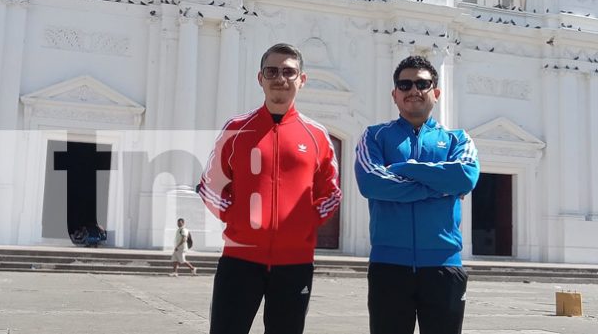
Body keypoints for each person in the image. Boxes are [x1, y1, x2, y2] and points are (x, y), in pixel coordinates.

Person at [197, 43, 342, 334]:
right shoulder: (236, 128)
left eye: (289, 72)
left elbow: (332, 192)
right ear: (260, 78)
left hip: (295, 263)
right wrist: (235, 217)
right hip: (239, 260)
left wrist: (306, 222)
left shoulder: (317, 136)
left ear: (302, 80)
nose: (280, 78)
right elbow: (210, 184)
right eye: (272, 71)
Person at [354, 55, 480, 334]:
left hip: (444, 266)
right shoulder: (374, 136)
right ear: (394, 95)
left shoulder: (458, 139)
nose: (414, 90)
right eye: (405, 84)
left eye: (422, 83)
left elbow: (466, 176)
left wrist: (403, 169)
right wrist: (440, 187)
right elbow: (371, 182)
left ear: (435, 92)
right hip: (389, 265)